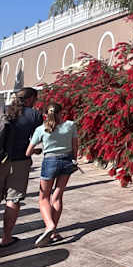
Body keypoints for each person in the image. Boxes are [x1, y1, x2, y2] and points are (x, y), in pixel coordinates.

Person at [0, 87, 44, 251]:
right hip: (19, 162)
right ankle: (6, 237)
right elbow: (37, 138)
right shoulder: (34, 115)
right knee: (13, 200)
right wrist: (34, 150)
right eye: (35, 99)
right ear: (31, 99)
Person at [26, 102, 78, 247]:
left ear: (45, 115)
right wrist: (74, 160)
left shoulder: (41, 129)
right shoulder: (70, 125)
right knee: (57, 196)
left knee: (44, 197)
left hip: (50, 162)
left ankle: (49, 225)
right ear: (61, 113)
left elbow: (28, 152)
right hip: (67, 161)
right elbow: (75, 146)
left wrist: (37, 151)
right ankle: (54, 232)